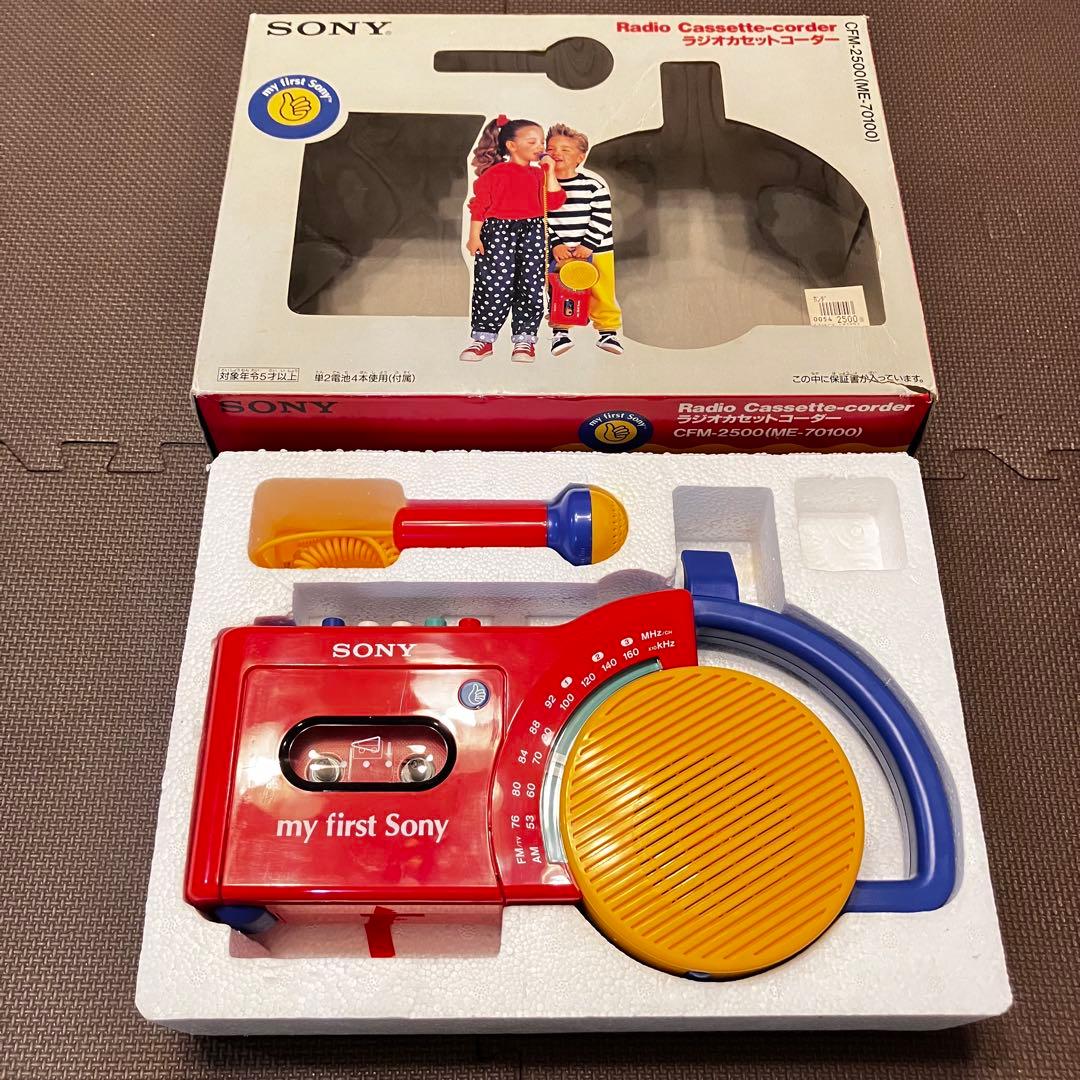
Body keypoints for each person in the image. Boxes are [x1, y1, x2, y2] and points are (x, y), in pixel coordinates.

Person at [459, 116, 566, 362]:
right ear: (511, 145)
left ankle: (524, 340)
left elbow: (555, 202)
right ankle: (483, 339)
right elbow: (479, 206)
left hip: (533, 232)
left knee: (531, 285)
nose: (540, 147)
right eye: (532, 141)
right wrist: (474, 236)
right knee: (494, 285)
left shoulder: (539, 174)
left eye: (542, 142)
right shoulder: (495, 174)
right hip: (498, 233)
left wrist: (549, 172)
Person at [545, 123, 623, 356]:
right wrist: (555, 244)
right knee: (560, 290)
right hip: (560, 252)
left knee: (602, 289)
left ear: (580, 157)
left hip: (596, 250)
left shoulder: (593, 187)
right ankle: (560, 332)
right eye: (551, 148)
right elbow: (542, 220)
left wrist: (588, 244)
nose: (556, 153)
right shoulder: (542, 188)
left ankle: (608, 331)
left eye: (565, 149)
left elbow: (602, 218)